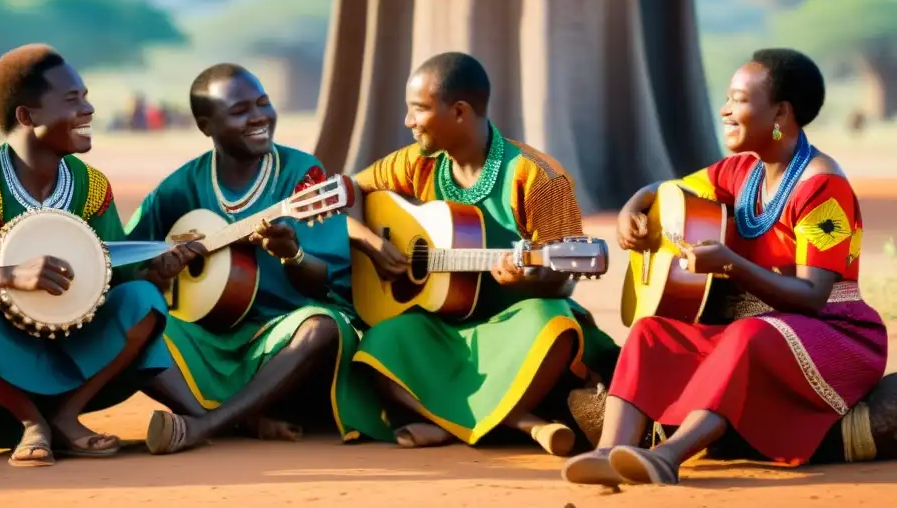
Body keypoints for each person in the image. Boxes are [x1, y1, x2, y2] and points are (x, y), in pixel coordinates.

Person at [562, 48, 889, 486]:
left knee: (748, 334)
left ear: (780, 112)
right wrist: (634, 205)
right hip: (758, 332)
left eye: (738, 99)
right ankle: (608, 451)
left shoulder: (821, 187)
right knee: (651, 331)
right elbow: (668, 188)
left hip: (834, 336)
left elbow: (812, 297)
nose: (725, 109)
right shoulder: (740, 171)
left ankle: (667, 455)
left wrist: (733, 266)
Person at [0, 44, 193, 467]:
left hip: (69, 343)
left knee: (143, 299)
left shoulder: (91, 187)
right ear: (27, 117)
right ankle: (31, 423)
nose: (88, 109)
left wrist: (158, 273)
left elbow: (117, 279)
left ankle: (66, 417)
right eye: (73, 100)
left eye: (86, 96)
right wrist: (9, 275)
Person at [347, 51, 619, 455]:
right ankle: (521, 422)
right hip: (443, 328)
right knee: (381, 340)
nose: (408, 122)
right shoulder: (416, 164)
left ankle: (446, 421)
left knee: (554, 323)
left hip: (513, 328)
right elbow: (349, 190)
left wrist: (530, 277)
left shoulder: (538, 177)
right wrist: (370, 242)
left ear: (458, 112)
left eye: (418, 110)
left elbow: (564, 280)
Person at [123, 63, 390, 455]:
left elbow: (323, 282)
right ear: (205, 125)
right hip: (210, 338)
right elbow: (130, 256)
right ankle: (233, 417)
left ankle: (207, 424)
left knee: (323, 327)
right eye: (240, 110)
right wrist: (156, 274)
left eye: (263, 103)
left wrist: (293, 254)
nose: (259, 117)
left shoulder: (302, 176)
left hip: (286, 338)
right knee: (129, 317)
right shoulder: (179, 188)